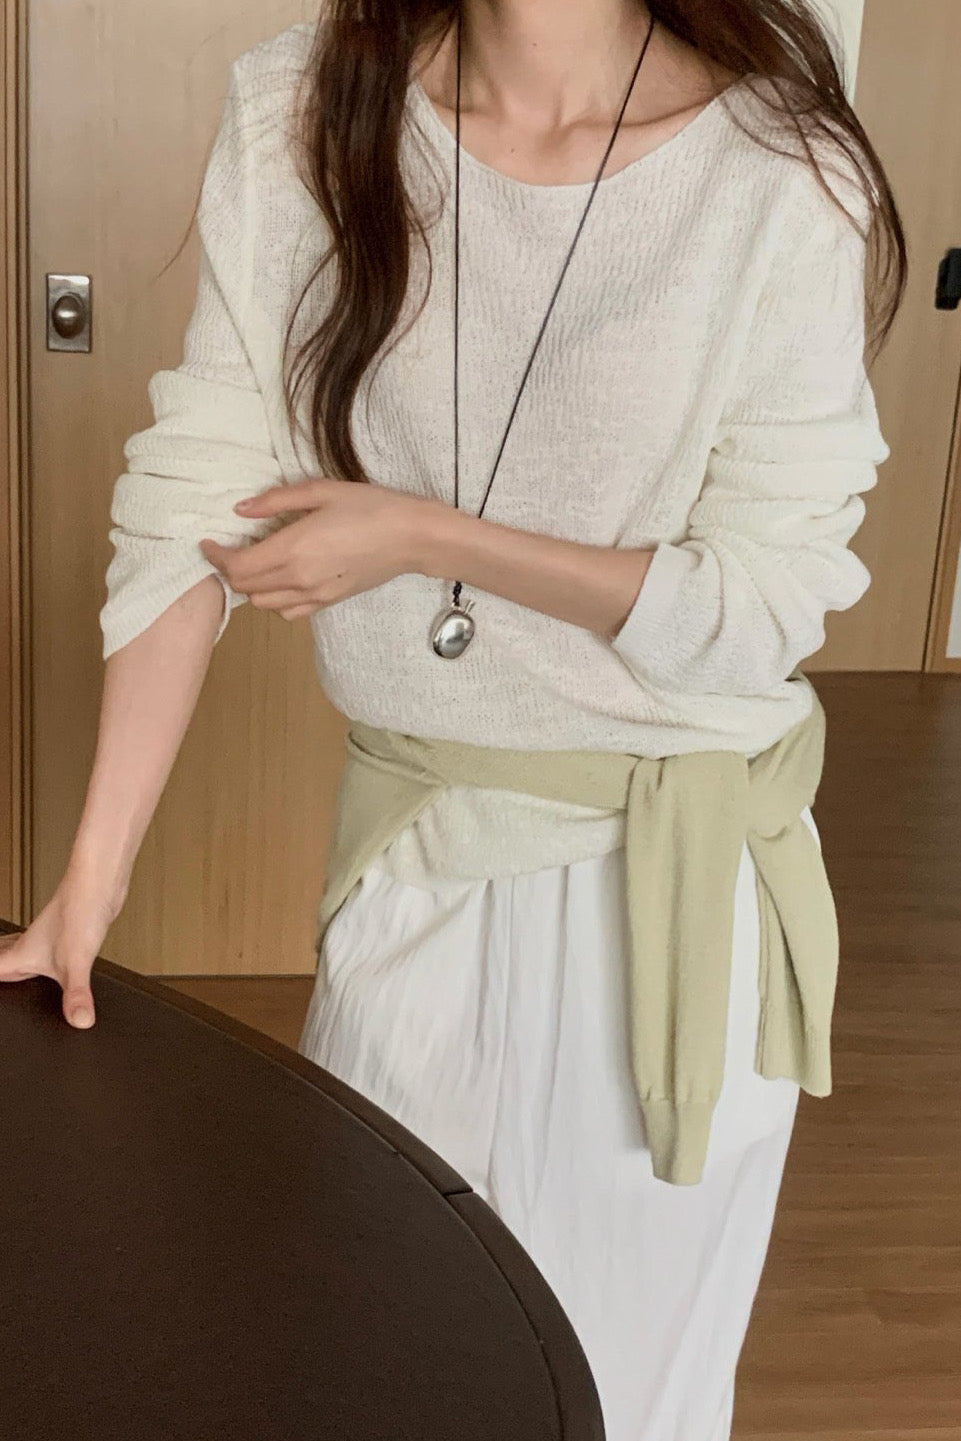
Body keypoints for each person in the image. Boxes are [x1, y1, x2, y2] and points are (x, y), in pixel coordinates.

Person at [1, 2, 905, 1436]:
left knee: (623, 1404)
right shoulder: (301, 109)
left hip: (671, 911)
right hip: (414, 868)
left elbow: (761, 605)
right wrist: (87, 887)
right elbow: (193, 503)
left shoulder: (777, 165)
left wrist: (425, 535)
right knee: (380, 1365)